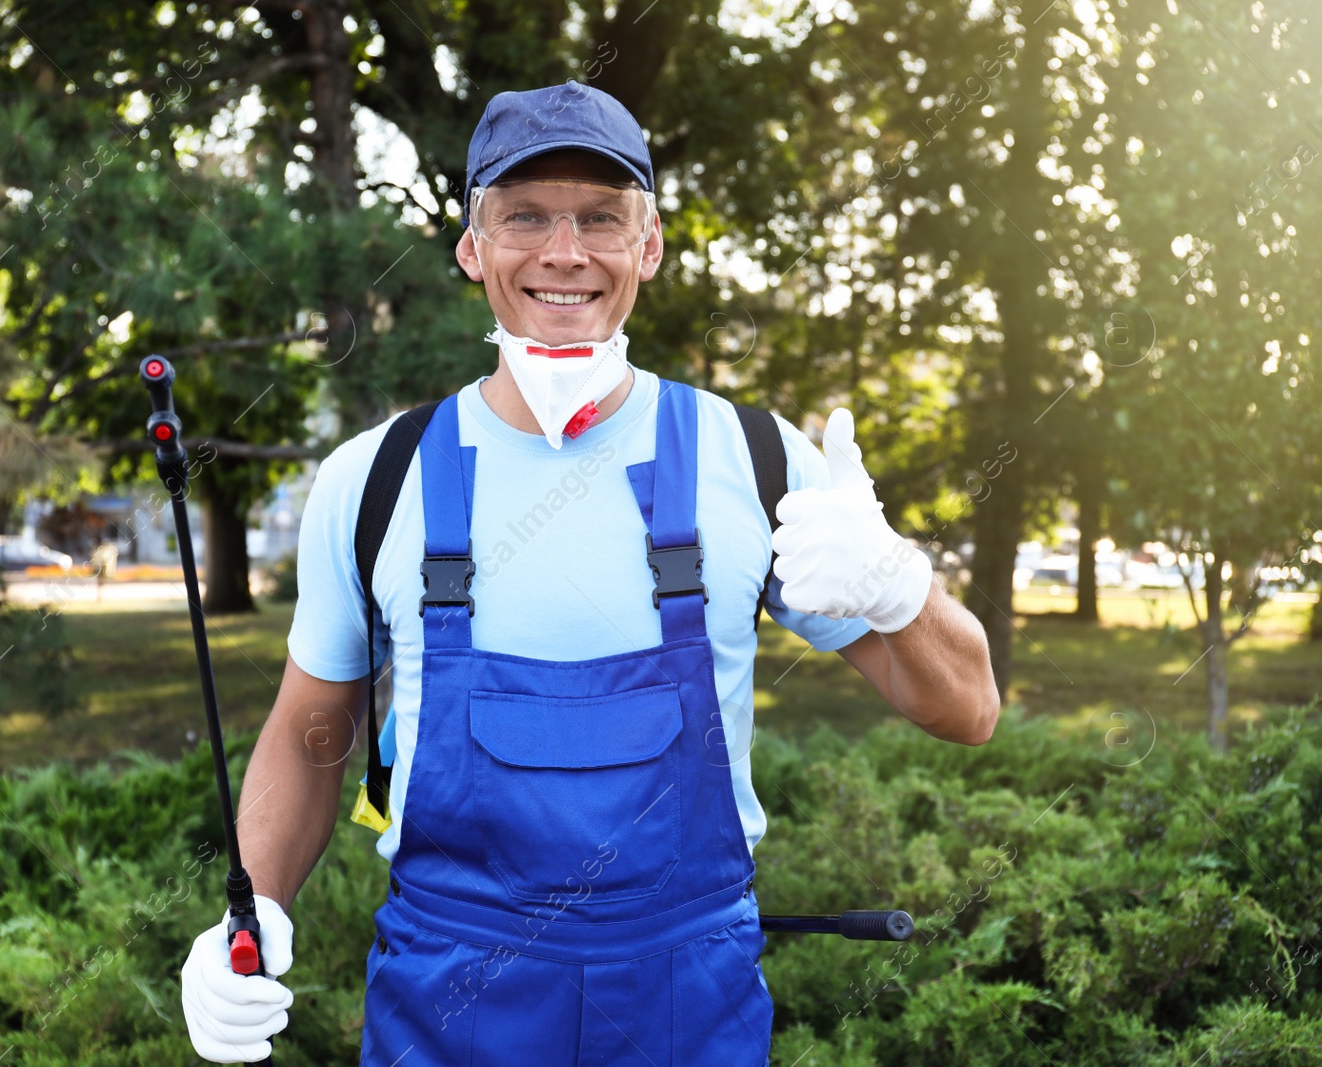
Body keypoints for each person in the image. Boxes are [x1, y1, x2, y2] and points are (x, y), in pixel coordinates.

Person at [181, 79, 999, 1065]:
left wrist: (898, 585)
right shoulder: (372, 478)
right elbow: (314, 733)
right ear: (472, 245)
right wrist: (251, 907)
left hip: (684, 1010)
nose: (563, 252)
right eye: (523, 213)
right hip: (448, 1004)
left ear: (648, 246)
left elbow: (968, 709)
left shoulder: (756, 460)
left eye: (600, 218)